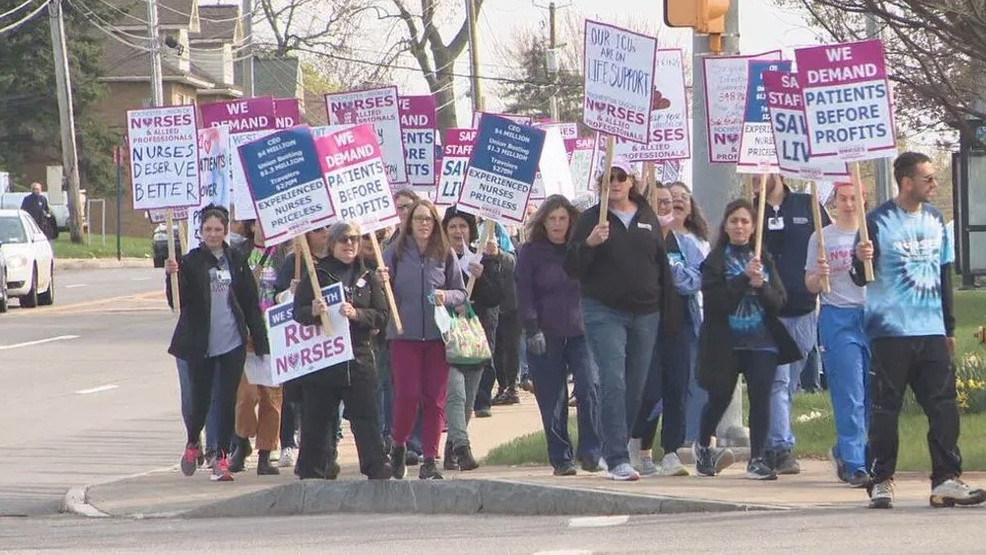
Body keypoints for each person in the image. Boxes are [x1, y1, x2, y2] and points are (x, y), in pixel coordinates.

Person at [852, 152, 986, 509]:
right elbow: (858, 277)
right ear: (907, 182)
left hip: (930, 330)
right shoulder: (876, 222)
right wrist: (860, 259)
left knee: (943, 407)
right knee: (886, 407)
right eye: (927, 178)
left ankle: (945, 478)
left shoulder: (936, 220)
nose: (933, 183)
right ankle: (881, 480)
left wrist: (949, 327)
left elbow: (943, 277)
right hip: (890, 331)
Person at [564, 156, 673, 482]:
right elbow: (571, 266)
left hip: (646, 312)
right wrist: (590, 244)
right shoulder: (589, 220)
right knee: (613, 380)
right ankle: (616, 458)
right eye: (608, 177)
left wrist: (668, 311)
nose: (614, 182)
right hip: (604, 310)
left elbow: (660, 265)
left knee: (635, 386)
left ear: (631, 181)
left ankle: (616, 443)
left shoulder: (647, 217)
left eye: (620, 176)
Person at [694, 199, 800, 480]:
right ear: (726, 226)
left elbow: (779, 300)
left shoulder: (763, 258)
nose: (739, 226)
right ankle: (703, 445)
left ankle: (757, 458)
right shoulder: (716, 260)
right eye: (734, 221)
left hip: (762, 341)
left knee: (761, 399)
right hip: (726, 342)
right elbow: (716, 301)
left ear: (753, 227)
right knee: (720, 397)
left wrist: (761, 285)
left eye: (745, 221)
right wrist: (742, 280)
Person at [165, 204, 268, 482]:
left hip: (232, 342)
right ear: (200, 232)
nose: (213, 234)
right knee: (199, 401)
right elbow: (177, 302)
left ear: (225, 232)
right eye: (208, 229)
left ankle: (221, 457)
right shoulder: (190, 262)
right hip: (200, 344)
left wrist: (260, 341)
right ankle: (192, 443)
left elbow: (249, 302)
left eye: (218, 230)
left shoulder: (236, 261)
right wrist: (171, 275)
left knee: (226, 401)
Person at [291, 222, 391, 480]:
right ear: (332, 243)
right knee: (317, 418)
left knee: (366, 415)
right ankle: (313, 470)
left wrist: (357, 313)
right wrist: (312, 311)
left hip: (358, 357)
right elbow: (297, 312)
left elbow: (381, 315)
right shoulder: (318, 275)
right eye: (344, 240)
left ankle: (376, 466)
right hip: (325, 358)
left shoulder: (367, 276)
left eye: (355, 240)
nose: (350, 244)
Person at [380, 199, 467, 480]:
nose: (423, 224)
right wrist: (380, 280)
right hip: (404, 335)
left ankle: (430, 458)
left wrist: (447, 296)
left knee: (435, 399)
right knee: (407, 395)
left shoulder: (445, 253)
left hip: (437, 336)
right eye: (418, 218)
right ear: (409, 223)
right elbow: (381, 293)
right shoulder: (393, 253)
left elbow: (461, 293)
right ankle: (399, 444)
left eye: (429, 219)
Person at [517, 195, 602, 476]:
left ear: (571, 221)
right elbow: (524, 292)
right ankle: (560, 457)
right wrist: (531, 328)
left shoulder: (579, 249)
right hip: (545, 332)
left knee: (589, 387)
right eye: (552, 219)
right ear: (544, 221)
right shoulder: (531, 252)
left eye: (562, 218)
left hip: (582, 331)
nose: (557, 224)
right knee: (553, 398)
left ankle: (591, 451)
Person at [628, 184, 706, 477]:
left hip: (679, 325)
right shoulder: (637, 241)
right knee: (650, 390)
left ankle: (671, 451)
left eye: (669, 203)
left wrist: (665, 269)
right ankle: (638, 441)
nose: (665, 208)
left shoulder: (685, 244)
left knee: (677, 387)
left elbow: (693, 280)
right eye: (658, 202)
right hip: (646, 326)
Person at [756, 174, 830, 475]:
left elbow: (829, 240)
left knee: (791, 382)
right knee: (778, 381)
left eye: (763, 171)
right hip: (769, 311)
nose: (756, 178)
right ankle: (781, 447)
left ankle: (773, 441)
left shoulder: (807, 204)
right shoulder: (751, 212)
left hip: (802, 309)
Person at [804, 183, 869, 487]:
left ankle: (847, 449)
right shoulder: (821, 237)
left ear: (863, 199)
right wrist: (820, 275)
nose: (848, 204)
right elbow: (810, 285)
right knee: (850, 392)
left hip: (872, 316)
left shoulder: (872, 233)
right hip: (837, 316)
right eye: (842, 198)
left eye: (854, 198)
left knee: (873, 393)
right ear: (835, 200)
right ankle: (856, 462)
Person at [442, 207, 503, 471]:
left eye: (463, 226)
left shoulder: (480, 259)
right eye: (453, 226)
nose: (458, 232)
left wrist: (485, 274)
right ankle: (463, 448)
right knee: (454, 393)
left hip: (476, 336)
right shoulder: (437, 260)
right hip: (446, 336)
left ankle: (451, 448)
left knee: (467, 398)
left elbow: (498, 298)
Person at [228, 220, 285, 476]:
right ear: (252, 228)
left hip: (274, 336)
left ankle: (265, 453)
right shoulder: (240, 254)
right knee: (247, 396)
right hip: (248, 335)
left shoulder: (286, 254)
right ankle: (241, 443)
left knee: (271, 400)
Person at [273, 225, 333, 468]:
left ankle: (325, 447)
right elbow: (275, 296)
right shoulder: (293, 262)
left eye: (328, 229)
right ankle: (287, 442)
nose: (324, 234)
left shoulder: (333, 261)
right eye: (319, 230)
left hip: (325, 338)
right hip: (298, 337)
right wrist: (290, 292)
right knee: (292, 394)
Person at [665, 182, 713, 445]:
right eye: (672, 197)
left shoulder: (700, 242)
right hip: (668, 318)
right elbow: (679, 279)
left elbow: (703, 278)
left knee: (699, 383)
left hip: (698, 319)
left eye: (684, 197)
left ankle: (695, 440)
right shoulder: (661, 239)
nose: (678, 201)